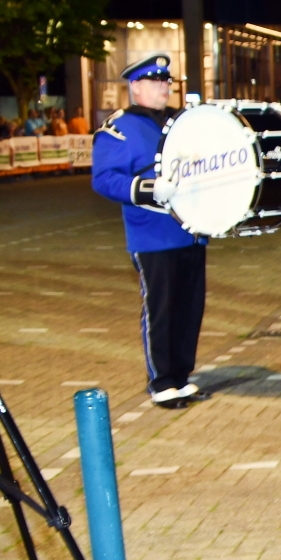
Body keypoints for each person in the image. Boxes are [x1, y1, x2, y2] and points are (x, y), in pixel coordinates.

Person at [91, 53, 209, 409]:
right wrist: (147, 188)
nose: (164, 87)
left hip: (190, 229)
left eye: (166, 81)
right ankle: (161, 381)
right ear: (136, 86)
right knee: (161, 309)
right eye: (156, 81)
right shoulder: (120, 127)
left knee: (189, 308)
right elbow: (104, 179)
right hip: (152, 234)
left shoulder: (181, 121)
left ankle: (181, 375)